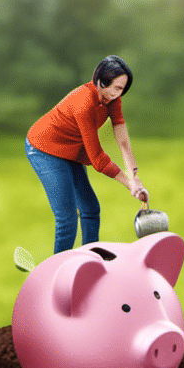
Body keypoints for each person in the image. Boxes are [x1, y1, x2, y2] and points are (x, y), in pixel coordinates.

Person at [26, 55, 147, 253]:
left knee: (91, 209)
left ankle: (90, 261)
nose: (120, 94)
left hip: (71, 148)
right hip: (44, 148)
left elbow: (123, 141)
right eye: (117, 88)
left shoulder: (112, 99)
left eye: (123, 89)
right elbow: (97, 158)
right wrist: (129, 185)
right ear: (101, 83)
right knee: (67, 217)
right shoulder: (84, 103)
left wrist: (134, 177)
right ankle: (58, 270)